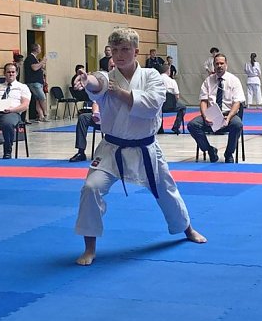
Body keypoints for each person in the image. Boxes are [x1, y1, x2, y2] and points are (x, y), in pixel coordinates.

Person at [72, 27, 206, 266]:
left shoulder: (152, 76)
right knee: (90, 188)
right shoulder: (108, 76)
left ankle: (187, 229)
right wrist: (87, 79)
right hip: (112, 149)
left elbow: (153, 105)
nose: (120, 54)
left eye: (125, 49)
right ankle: (89, 248)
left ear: (136, 51)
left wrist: (121, 92)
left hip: (146, 149)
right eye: (115, 50)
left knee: (167, 190)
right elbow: (97, 83)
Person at [188, 53, 246, 163]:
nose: (219, 66)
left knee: (238, 125)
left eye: (221, 63)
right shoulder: (208, 81)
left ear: (226, 65)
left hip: (229, 114)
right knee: (192, 125)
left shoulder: (234, 80)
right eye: (217, 64)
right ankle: (210, 150)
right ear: (214, 66)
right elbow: (203, 101)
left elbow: (237, 102)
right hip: (212, 115)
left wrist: (228, 118)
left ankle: (229, 153)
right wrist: (205, 116)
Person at [23, 43, 49, 122]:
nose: (40, 50)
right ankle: (45, 113)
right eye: (39, 48)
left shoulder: (35, 58)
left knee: (38, 100)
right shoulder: (30, 58)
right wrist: (42, 62)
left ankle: (41, 116)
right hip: (34, 82)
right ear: (36, 49)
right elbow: (34, 68)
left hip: (38, 81)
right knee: (42, 97)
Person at [157, 64, 185, 135]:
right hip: (171, 105)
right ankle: (176, 127)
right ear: (168, 71)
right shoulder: (172, 81)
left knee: (158, 109)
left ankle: (159, 128)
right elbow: (177, 96)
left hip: (158, 106)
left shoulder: (155, 80)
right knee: (183, 107)